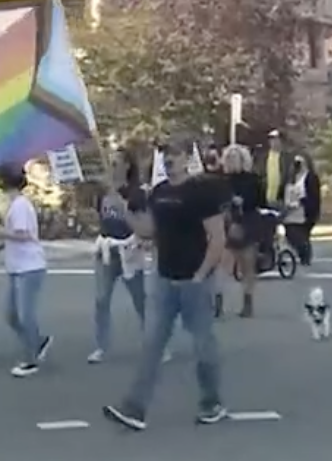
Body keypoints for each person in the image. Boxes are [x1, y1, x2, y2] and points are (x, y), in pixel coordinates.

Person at [103, 139, 230, 430]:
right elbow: (149, 231)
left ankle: (212, 402)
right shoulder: (158, 193)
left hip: (194, 280)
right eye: (165, 156)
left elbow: (218, 238)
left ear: (187, 158)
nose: (169, 160)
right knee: (152, 345)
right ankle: (135, 408)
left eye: (175, 154)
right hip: (164, 279)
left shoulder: (201, 191)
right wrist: (124, 210)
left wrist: (201, 275)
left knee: (203, 345)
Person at [0, 165, 51, 377]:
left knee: (25, 314)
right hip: (16, 266)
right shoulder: (15, 205)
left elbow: (23, 235)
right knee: (11, 314)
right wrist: (2, 242)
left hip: (29, 266)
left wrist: (2, 234)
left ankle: (31, 359)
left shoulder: (20, 205)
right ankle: (37, 341)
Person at [88, 179, 148, 363]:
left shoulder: (136, 192)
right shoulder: (104, 193)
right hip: (107, 250)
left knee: (140, 300)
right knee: (101, 299)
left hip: (129, 250)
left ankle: (156, 343)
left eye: (116, 163)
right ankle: (101, 346)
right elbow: (101, 220)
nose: (112, 168)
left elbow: (142, 221)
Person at [219, 144, 269, 318]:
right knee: (223, 264)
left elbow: (262, 202)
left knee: (247, 265)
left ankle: (248, 301)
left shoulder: (253, 179)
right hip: (226, 222)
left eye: (235, 158)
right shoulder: (221, 180)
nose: (231, 161)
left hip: (248, 222)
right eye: (229, 158)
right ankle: (218, 302)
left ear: (243, 160)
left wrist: (244, 201)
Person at [283, 154, 321, 265]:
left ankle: (305, 255)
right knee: (290, 233)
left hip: (305, 211)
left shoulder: (311, 177)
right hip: (291, 210)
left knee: (301, 234)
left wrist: (303, 200)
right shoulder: (291, 177)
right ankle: (302, 253)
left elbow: (314, 196)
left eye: (301, 162)